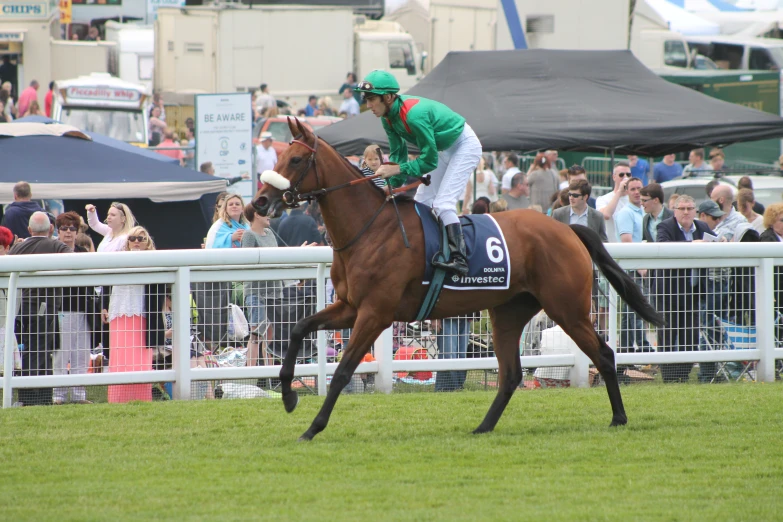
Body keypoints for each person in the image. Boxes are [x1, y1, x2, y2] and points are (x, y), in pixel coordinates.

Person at [356, 69, 482, 276]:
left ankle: (460, 258)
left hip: (464, 145)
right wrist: (392, 187)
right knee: (421, 203)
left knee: (443, 204)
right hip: (444, 148)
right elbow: (398, 153)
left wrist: (397, 169)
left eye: (371, 99)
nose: (368, 105)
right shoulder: (387, 118)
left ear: (387, 97)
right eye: (366, 99)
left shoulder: (413, 115)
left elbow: (428, 159)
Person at [9, 212, 72, 406]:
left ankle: (38, 397)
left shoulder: (19, 248)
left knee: (35, 351)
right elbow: (73, 263)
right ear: (51, 229)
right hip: (46, 307)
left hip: (24, 307)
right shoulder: (56, 246)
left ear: (29, 230)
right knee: (40, 352)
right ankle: (32, 398)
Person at [655, 195, 714, 383]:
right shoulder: (665, 226)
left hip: (693, 292)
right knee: (667, 336)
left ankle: (682, 375)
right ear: (675, 211)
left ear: (696, 211)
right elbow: (663, 247)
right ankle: (669, 378)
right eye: (682, 208)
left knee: (690, 338)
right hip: (669, 293)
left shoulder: (703, 227)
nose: (686, 212)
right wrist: (691, 245)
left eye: (690, 208)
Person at [107, 227, 165, 403]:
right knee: (120, 355)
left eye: (141, 238)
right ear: (127, 241)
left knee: (140, 356)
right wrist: (104, 307)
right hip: (119, 311)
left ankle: (141, 396)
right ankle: (118, 397)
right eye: (133, 238)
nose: (137, 241)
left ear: (147, 241)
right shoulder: (117, 258)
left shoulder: (153, 260)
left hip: (142, 313)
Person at [53, 211, 96, 405]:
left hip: (83, 308)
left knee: (81, 353)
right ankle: (58, 395)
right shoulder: (53, 250)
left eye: (72, 229)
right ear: (57, 231)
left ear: (77, 232)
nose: (68, 232)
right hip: (62, 308)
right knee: (62, 353)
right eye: (64, 229)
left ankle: (79, 395)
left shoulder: (83, 252)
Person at [241, 204, 283, 367]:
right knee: (256, 333)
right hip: (256, 291)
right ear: (257, 215)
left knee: (270, 334)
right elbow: (246, 263)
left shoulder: (271, 233)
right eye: (266, 212)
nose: (270, 215)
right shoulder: (249, 235)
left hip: (275, 290)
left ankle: (270, 373)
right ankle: (251, 373)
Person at [596, 161, 632, 243]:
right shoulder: (603, 199)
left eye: (628, 175)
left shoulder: (635, 199)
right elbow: (606, 215)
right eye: (621, 175)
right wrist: (619, 192)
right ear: (614, 177)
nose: (625, 177)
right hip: (611, 246)